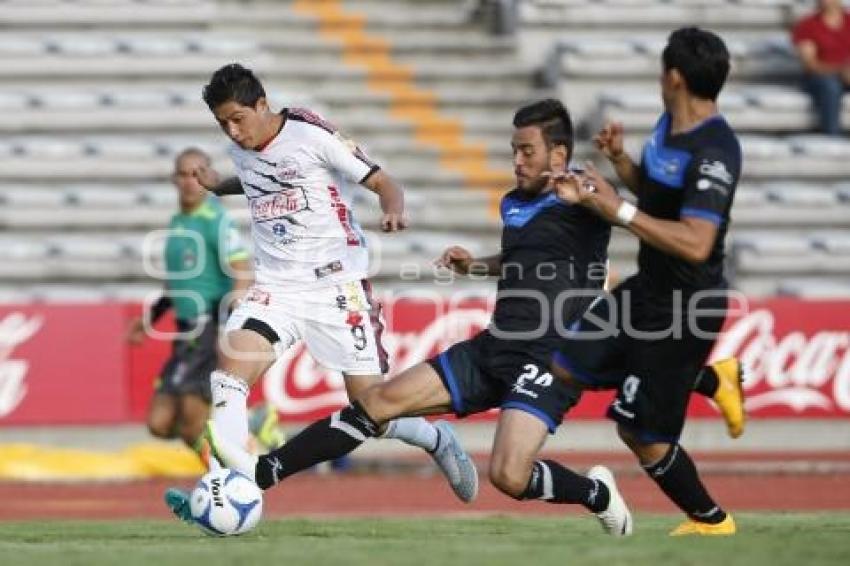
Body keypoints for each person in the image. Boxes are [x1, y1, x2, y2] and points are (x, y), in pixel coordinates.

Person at [205, 98, 639, 536]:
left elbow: (633, 213)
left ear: (558, 155)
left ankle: (596, 494)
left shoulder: (584, 195)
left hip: (551, 358)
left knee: (509, 476)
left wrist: (610, 174)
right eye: (513, 150)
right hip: (494, 347)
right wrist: (476, 266)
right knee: (374, 404)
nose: (516, 161)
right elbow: (526, 258)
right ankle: (262, 475)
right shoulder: (514, 203)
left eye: (527, 151)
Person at [165, 63, 478, 521]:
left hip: (336, 286)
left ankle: (434, 438)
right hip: (275, 287)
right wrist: (219, 185)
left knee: (373, 410)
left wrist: (393, 210)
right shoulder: (242, 148)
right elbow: (258, 179)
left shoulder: (311, 134)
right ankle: (222, 492)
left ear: (262, 105)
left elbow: (382, 180)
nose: (232, 131)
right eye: (222, 124)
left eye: (237, 118)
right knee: (228, 379)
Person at [549, 27, 743, 536]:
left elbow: (697, 241)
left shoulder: (716, 150)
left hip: (684, 309)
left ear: (673, 77)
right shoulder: (668, 125)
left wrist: (620, 208)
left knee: (639, 432)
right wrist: (620, 164)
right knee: (568, 362)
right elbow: (659, 197)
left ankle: (711, 521)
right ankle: (709, 379)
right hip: (647, 289)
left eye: (662, 69)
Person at [126, 148, 269, 462]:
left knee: (193, 426)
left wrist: (229, 325)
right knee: (159, 424)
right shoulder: (178, 221)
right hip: (184, 333)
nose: (190, 181)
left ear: (208, 177)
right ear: (173, 179)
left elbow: (242, 270)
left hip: (207, 329)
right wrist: (149, 319)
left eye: (197, 173)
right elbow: (176, 281)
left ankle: (228, 486)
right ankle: (251, 425)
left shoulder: (215, 219)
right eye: (184, 174)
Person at [792, 0, 850, 136]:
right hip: (820, 77)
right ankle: (832, 138)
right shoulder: (808, 25)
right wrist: (841, 70)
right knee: (830, 87)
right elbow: (810, 64)